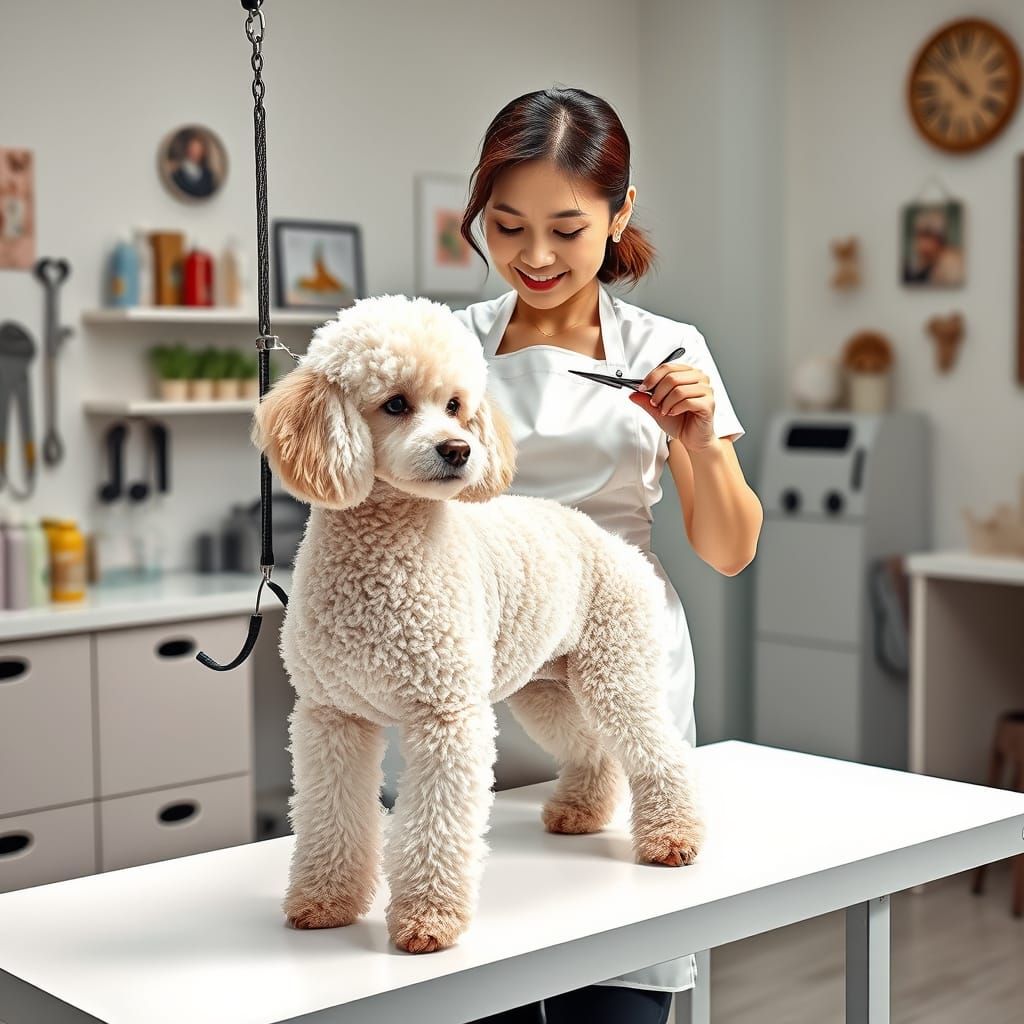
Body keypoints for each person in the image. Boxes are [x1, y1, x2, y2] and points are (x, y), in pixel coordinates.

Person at [451, 87, 763, 1024]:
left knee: (614, 991)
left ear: (619, 214)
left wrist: (702, 438)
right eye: (506, 227)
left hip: (617, 660)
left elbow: (730, 549)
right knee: (460, 964)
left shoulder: (664, 351)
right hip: (469, 661)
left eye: (567, 229)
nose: (535, 258)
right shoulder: (451, 344)